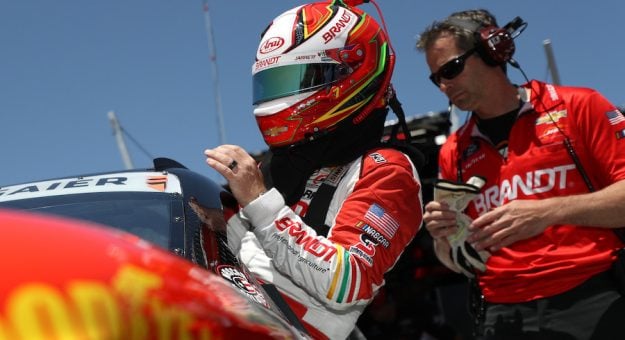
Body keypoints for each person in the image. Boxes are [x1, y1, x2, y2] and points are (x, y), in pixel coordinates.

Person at [204, 1, 424, 339]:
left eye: (293, 79)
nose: (279, 97)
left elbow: (347, 282)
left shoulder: (388, 171)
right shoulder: (290, 165)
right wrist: (222, 222)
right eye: (272, 83)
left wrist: (258, 202)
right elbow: (257, 257)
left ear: (346, 75)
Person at [416, 9, 625, 340]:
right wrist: (445, 238)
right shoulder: (453, 150)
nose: (444, 85)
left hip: (592, 297)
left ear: (491, 50)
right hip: (501, 313)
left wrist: (549, 212)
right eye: (436, 78)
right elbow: (458, 261)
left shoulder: (579, 106)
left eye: (451, 69)